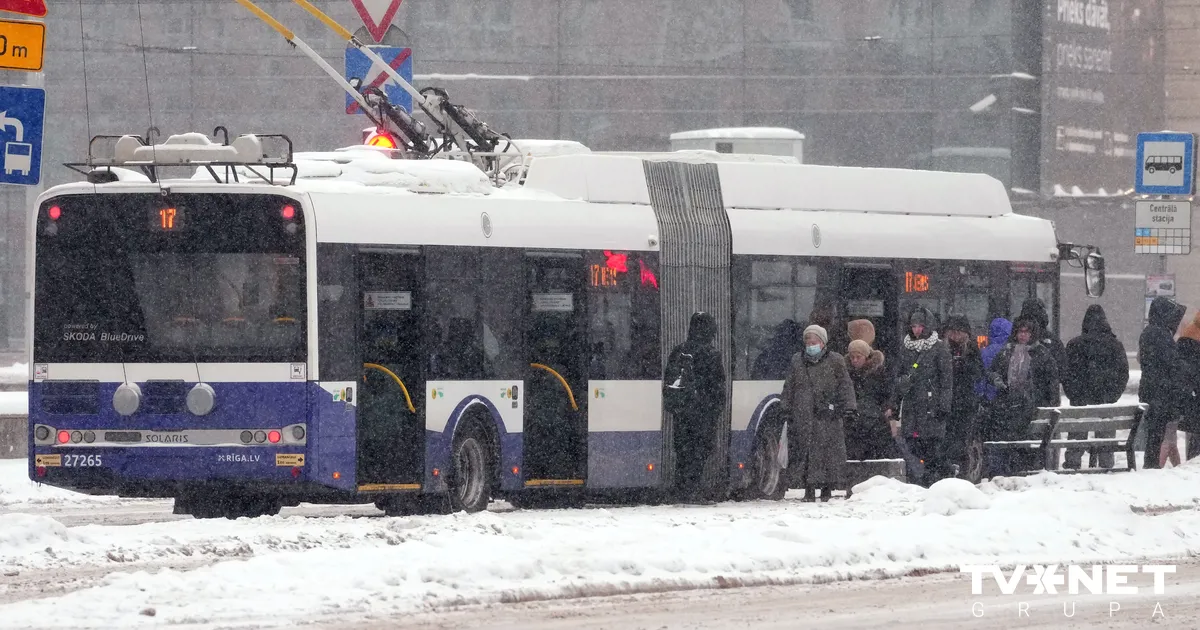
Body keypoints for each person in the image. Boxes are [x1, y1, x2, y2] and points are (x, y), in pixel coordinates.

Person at [780, 324, 856, 502]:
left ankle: (827, 488)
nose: (810, 346)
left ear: (823, 343)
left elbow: (846, 385)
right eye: (808, 342)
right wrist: (785, 407)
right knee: (806, 453)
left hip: (828, 415)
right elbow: (789, 386)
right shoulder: (797, 361)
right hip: (803, 415)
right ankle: (809, 489)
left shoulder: (835, 360)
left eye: (814, 342)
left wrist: (849, 407)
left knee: (828, 453)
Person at [986, 316, 1061, 475]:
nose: (1023, 335)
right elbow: (992, 372)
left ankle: (1024, 467)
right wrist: (997, 380)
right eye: (1020, 331)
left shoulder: (1041, 354)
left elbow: (1051, 383)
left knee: (1023, 440)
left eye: (1027, 332)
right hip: (1007, 408)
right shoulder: (1007, 352)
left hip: (1031, 409)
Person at [663, 312, 726, 502]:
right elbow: (718, 386)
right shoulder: (711, 354)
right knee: (699, 453)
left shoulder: (679, 351)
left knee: (683, 453)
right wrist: (715, 408)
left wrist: (679, 406)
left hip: (682, 413)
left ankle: (681, 489)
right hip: (703, 415)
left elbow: (668, 381)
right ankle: (692, 490)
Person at [1061, 305, 1129, 469]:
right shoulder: (1115, 345)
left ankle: (1073, 461)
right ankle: (1106, 464)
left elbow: (1066, 374)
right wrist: (1111, 395)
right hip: (1105, 401)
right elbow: (1123, 374)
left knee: (1077, 434)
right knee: (1105, 435)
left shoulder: (1074, 344)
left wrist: (1075, 395)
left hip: (1080, 402)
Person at [895, 307, 953, 486]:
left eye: (920, 326)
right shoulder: (905, 348)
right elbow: (897, 376)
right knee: (913, 443)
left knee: (931, 445)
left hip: (931, 406)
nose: (917, 330)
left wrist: (943, 406)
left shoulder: (939, 349)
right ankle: (920, 478)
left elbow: (946, 380)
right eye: (913, 326)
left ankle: (932, 477)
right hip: (912, 405)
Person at [1139, 296, 1187, 469]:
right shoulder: (1159, 335)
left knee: (1157, 433)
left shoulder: (1151, 332)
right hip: (1159, 393)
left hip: (1154, 391)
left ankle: (1152, 465)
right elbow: (1172, 362)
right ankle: (1152, 467)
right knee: (1156, 434)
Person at [942, 315, 984, 477]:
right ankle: (949, 470)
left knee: (962, 440)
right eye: (952, 332)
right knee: (947, 439)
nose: (956, 336)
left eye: (959, 332)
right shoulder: (942, 349)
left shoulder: (972, 349)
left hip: (966, 403)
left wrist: (964, 366)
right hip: (946, 402)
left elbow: (979, 373)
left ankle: (961, 471)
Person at [845, 338, 895, 463]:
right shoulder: (845, 375)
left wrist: (887, 411)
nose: (855, 360)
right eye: (852, 357)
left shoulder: (880, 374)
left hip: (875, 425)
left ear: (866, 357)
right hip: (853, 425)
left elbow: (887, 396)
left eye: (858, 357)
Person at [1176, 310, 1200, 462]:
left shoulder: (1187, 334)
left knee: (1194, 433)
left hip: (1192, 395)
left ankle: (1193, 460)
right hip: (1195, 393)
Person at [974, 318, 1012, 403]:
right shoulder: (1008, 351)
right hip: (1002, 394)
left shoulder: (983, 351)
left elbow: (980, 373)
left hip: (986, 394)